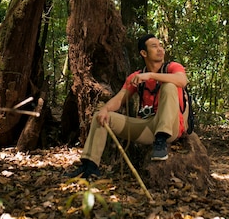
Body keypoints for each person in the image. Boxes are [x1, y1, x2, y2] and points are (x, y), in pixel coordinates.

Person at [66, 34, 189, 179]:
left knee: (169, 86)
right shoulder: (136, 76)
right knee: (102, 116)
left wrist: (151, 76)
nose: (160, 49)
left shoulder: (172, 67)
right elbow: (119, 100)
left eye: (160, 45)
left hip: (172, 127)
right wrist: (105, 109)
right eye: (154, 46)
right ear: (143, 53)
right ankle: (89, 166)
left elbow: (182, 80)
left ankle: (161, 140)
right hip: (148, 126)